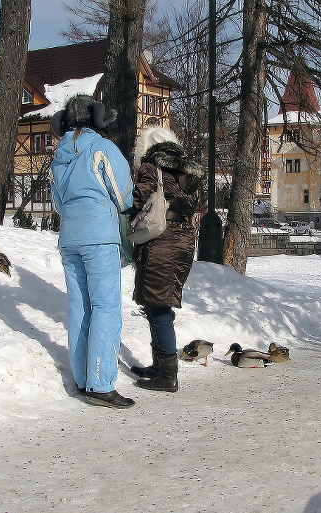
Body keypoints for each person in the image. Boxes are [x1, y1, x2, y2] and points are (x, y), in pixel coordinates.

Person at [49, 94, 135, 409]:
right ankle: (100, 384)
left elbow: (57, 204)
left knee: (80, 307)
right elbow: (124, 194)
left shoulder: (57, 157)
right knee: (106, 308)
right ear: (96, 119)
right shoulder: (102, 149)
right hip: (99, 237)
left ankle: (83, 379)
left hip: (69, 239)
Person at [127, 126, 204, 392]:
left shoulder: (151, 165)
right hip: (183, 241)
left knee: (158, 305)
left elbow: (138, 199)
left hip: (160, 240)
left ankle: (168, 374)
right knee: (157, 303)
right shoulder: (190, 171)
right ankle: (160, 364)